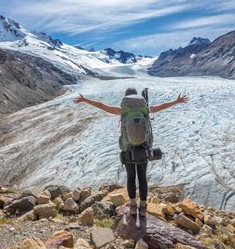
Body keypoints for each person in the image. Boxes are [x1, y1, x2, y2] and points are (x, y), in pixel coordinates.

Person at [74, 88, 188, 216]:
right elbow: (162, 106)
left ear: (125, 99)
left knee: (131, 177)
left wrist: (85, 100)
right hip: (144, 149)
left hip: (128, 149)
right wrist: (176, 101)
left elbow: (102, 106)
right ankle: (143, 208)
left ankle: (133, 206)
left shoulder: (123, 110)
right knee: (142, 178)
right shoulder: (145, 109)